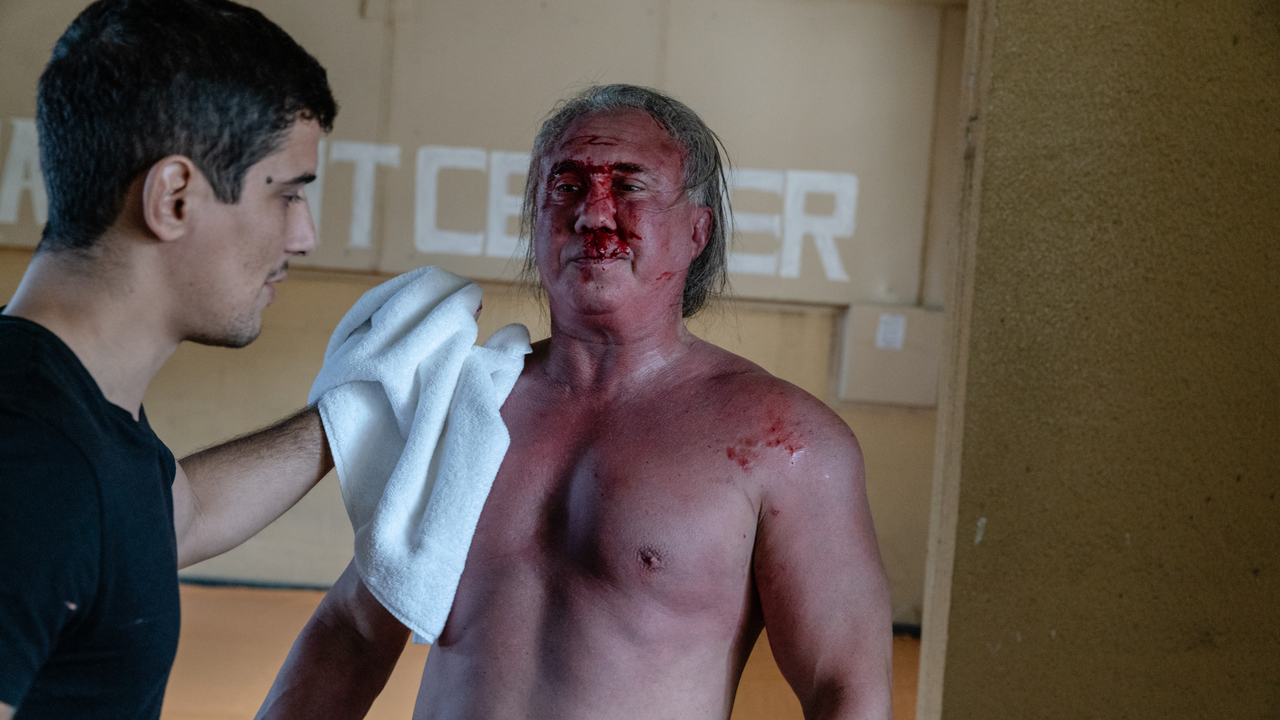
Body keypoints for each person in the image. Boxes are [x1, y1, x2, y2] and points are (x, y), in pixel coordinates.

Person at [259, 84, 893, 720]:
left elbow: (844, 686)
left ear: (697, 231)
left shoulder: (783, 441)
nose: (593, 215)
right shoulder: (468, 404)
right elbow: (354, 632)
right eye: (566, 187)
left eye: (629, 186)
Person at [0, 1, 340, 717]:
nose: (304, 236)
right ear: (175, 197)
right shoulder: (31, 458)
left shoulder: (71, 410)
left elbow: (174, 519)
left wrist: (355, 411)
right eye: (287, 195)